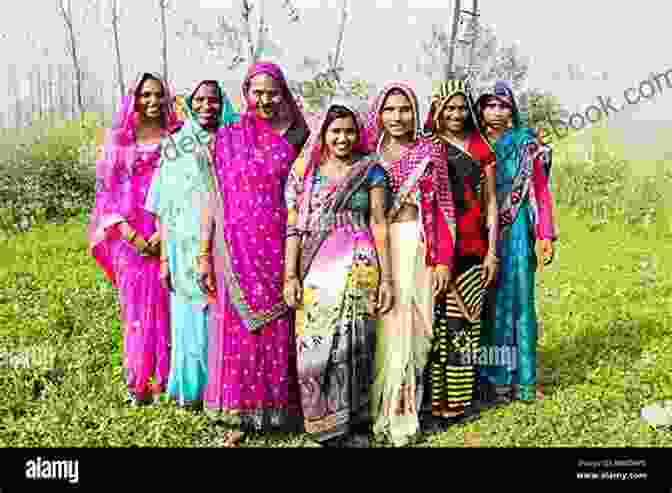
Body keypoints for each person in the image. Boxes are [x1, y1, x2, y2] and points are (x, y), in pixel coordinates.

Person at [199, 62, 309, 447]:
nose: (264, 99)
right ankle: (240, 416)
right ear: (246, 93)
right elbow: (214, 198)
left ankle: (282, 409)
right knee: (239, 328)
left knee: (279, 327)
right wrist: (202, 252)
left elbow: (305, 195)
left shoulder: (300, 135)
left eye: (272, 92)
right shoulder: (227, 137)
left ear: (283, 93)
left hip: (280, 246)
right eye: (256, 92)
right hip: (233, 249)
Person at [284, 97, 393, 447]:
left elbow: (379, 222)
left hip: (359, 268)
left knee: (354, 343)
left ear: (359, 135)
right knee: (313, 345)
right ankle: (320, 421)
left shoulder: (371, 170)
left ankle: (351, 424)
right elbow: (295, 228)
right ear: (323, 134)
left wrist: (387, 277)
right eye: (336, 132)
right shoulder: (307, 174)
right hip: (316, 268)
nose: (343, 139)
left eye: (349, 132)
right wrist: (290, 276)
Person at [364, 81, 456, 446]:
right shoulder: (369, 155)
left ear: (415, 112)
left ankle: (406, 412)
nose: (398, 116)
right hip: (379, 251)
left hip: (420, 246)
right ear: (379, 114)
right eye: (390, 110)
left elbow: (446, 207)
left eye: (405, 109)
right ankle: (380, 413)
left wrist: (443, 261)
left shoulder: (430, 151)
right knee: (385, 333)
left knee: (418, 332)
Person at [145, 80, 239, 408]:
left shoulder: (235, 141)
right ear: (189, 103)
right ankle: (192, 389)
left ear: (223, 103)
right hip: (183, 243)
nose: (206, 106)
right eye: (199, 100)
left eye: (213, 100)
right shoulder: (175, 145)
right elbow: (163, 204)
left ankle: (221, 388)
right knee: (189, 316)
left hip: (225, 241)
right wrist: (165, 260)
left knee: (221, 313)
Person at [88, 72, 178, 405]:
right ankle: (139, 382)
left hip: (169, 232)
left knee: (168, 306)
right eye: (145, 95)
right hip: (129, 240)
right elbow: (105, 195)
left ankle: (168, 380)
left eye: (158, 95)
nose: (152, 101)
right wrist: (132, 236)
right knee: (136, 309)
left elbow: (185, 186)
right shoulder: (119, 141)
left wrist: (162, 234)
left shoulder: (176, 138)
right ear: (134, 98)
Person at [422, 78, 499, 421]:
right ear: (439, 109)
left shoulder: (480, 149)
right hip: (437, 246)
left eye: (461, 107)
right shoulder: (428, 145)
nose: (455, 114)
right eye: (449, 107)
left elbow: (492, 203)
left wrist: (492, 251)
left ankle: (458, 403)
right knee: (436, 325)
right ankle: (434, 401)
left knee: (464, 327)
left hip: (472, 245)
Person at [476, 81, 558, 403]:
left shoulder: (527, 144)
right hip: (480, 232)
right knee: (485, 305)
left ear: (512, 110)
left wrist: (545, 235)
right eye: (490, 105)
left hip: (517, 230)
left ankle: (524, 380)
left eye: (503, 105)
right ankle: (491, 379)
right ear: (480, 109)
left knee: (520, 301)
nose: (496, 112)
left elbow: (540, 190)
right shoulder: (473, 142)